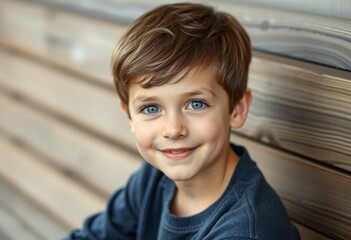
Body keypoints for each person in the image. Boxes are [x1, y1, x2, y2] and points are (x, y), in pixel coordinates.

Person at [65, 3, 300, 240]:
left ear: (236, 109)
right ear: (129, 116)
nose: (173, 130)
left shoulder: (247, 230)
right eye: (151, 108)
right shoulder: (154, 178)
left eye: (196, 104)